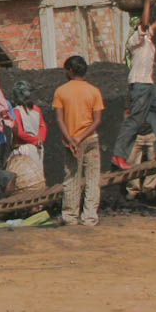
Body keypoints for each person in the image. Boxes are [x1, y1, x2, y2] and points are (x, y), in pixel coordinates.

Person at [112, 0, 156, 170]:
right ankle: (119, 155)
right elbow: (147, 22)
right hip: (139, 84)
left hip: (149, 84)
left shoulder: (147, 37)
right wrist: (147, 0)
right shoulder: (135, 39)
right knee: (135, 120)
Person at [53, 55, 105, 226]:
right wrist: (81, 137)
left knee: (72, 179)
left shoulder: (61, 91)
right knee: (92, 179)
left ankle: (70, 216)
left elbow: (60, 119)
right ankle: (89, 217)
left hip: (70, 142)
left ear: (70, 70)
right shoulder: (94, 91)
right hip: (90, 139)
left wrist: (71, 139)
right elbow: (97, 120)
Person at [10, 80, 48, 177]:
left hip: (24, 148)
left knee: (25, 177)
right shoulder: (36, 109)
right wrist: (39, 140)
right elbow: (43, 126)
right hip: (38, 147)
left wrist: (34, 140)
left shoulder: (16, 111)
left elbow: (19, 132)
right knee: (39, 173)